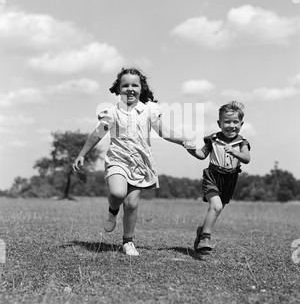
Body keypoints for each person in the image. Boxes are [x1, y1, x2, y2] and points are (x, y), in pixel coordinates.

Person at [73, 67, 191, 256]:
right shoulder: (112, 112)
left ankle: (128, 241)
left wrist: (183, 140)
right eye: (125, 85)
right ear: (118, 89)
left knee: (132, 204)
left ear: (141, 88)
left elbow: (163, 132)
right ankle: (112, 211)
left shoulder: (149, 110)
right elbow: (97, 135)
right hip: (118, 159)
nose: (130, 89)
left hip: (140, 163)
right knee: (118, 193)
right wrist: (82, 154)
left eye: (134, 85)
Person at [186, 101, 251, 252]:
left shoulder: (242, 142)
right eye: (227, 122)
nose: (231, 125)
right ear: (219, 123)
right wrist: (190, 148)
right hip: (213, 176)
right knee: (216, 206)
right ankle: (205, 238)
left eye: (235, 122)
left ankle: (202, 231)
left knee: (218, 208)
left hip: (230, 179)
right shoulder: (213, 139)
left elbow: (246, 159)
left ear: (241, 123)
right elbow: (202, 155)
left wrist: (234, 152)